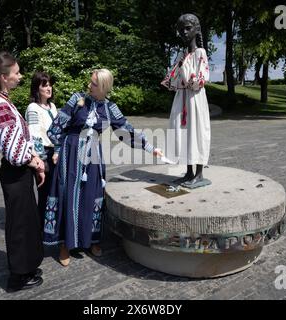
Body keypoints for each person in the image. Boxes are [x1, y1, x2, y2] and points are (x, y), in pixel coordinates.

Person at [43, 68, 163, 266]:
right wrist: (58, 149)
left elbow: (127, 132)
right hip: (71, 154)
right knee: (69, 195)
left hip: (93, 157)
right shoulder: (77, 99)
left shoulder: (110, 109)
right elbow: (56, 127)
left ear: (105, 87)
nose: (89, 85)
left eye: (94, 84)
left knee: (93, 195)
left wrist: (151, 148)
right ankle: (65, 244)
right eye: (90, 82)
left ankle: (91, 241)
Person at [0, 51, 45, 291]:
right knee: (19, 224)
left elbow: (20, 141)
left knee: (26, 221)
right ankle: (17, 277)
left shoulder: (2, 100)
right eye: (17, 73)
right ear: (3, 77)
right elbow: (14, 152)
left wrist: (33, 159)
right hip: (15, 171)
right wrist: (35, 161)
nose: (20, 76)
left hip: (19, 171)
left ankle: (27, 266)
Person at [161, 13, 211, 187]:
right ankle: (188, 172)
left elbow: (200, 79)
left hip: (194, 100)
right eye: (181, 29)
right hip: (182, 98)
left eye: (188, 28)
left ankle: (199, 173)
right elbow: (173, 80)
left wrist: (184, 72)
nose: (184, 32)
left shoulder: (200, 53)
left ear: (196, 30)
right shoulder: (183, 54)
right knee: (184, 133)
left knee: (196, 133)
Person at [25, 72, 58, 230]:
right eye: (44, 85)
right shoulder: (33, 108)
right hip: (43, 154)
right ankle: (40, 232)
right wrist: (41, 163)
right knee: (44, 195)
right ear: (36, 88)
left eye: (50, 84)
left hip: (56, 154)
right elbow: (34, 136)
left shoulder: (52, 106)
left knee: (55, 193)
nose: (49, 88)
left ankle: (52, 228)